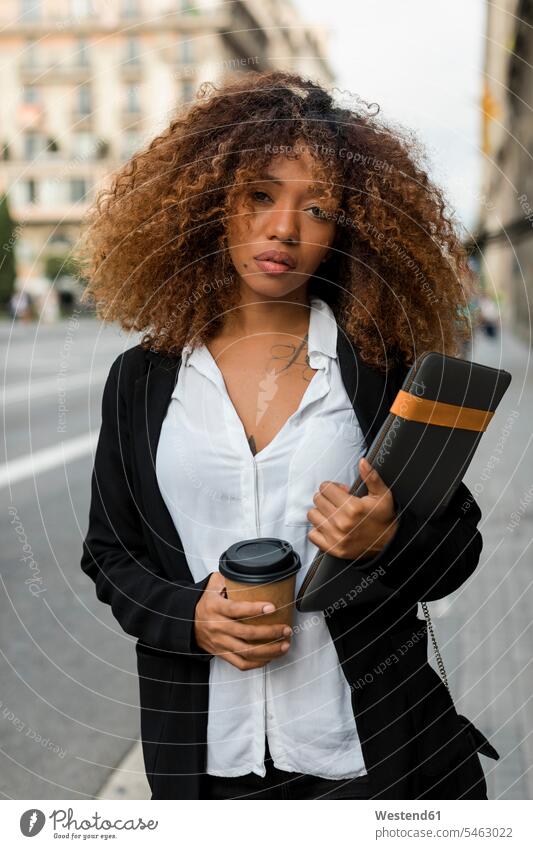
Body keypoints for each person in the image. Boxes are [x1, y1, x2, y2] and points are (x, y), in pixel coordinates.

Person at [78, 70, 491, 800]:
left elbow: (457, 549)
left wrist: (386, 538)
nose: (284, 229)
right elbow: (109, 553)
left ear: (346, 230)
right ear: (212, 203)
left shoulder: (381, 373)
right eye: (260, 194)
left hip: (373, 757)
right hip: (208, 765)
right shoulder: (140, 381)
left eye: (319, 207)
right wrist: (191, 616)